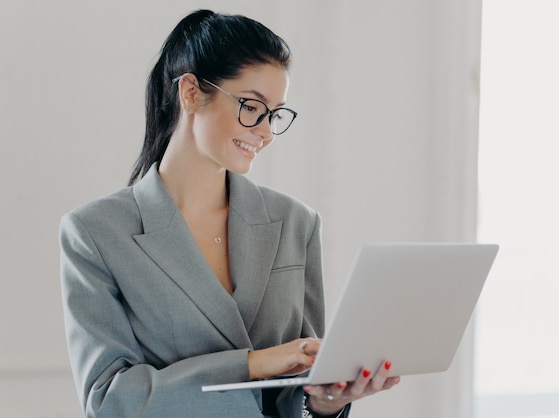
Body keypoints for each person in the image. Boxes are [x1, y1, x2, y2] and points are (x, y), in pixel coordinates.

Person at [59, 9, 400, 418]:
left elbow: (302, 387)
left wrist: (326, 402)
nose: (266, 131)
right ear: (189, 92)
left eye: (275, 114)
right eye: (252, 107)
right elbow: (111, 401)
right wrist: (252, 364)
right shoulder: (95, 233)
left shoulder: (296, 224)